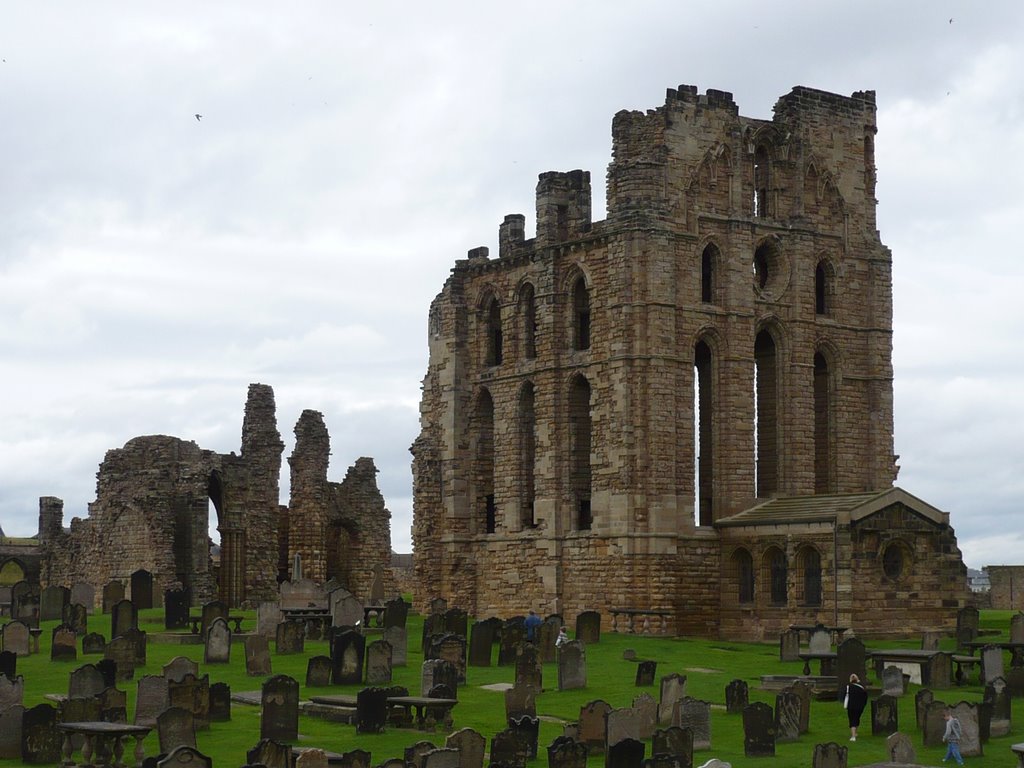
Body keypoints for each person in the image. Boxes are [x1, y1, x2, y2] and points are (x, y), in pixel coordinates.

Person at [843, 673, 868, 741]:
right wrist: (863, 705)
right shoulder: (861, 688)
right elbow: (865, 698)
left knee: (852, 720)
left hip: (851, 706)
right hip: (860, 707)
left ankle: (853, 736)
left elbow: (844, 696)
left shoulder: (848, 687)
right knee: (857, 718)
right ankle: (855, 732)